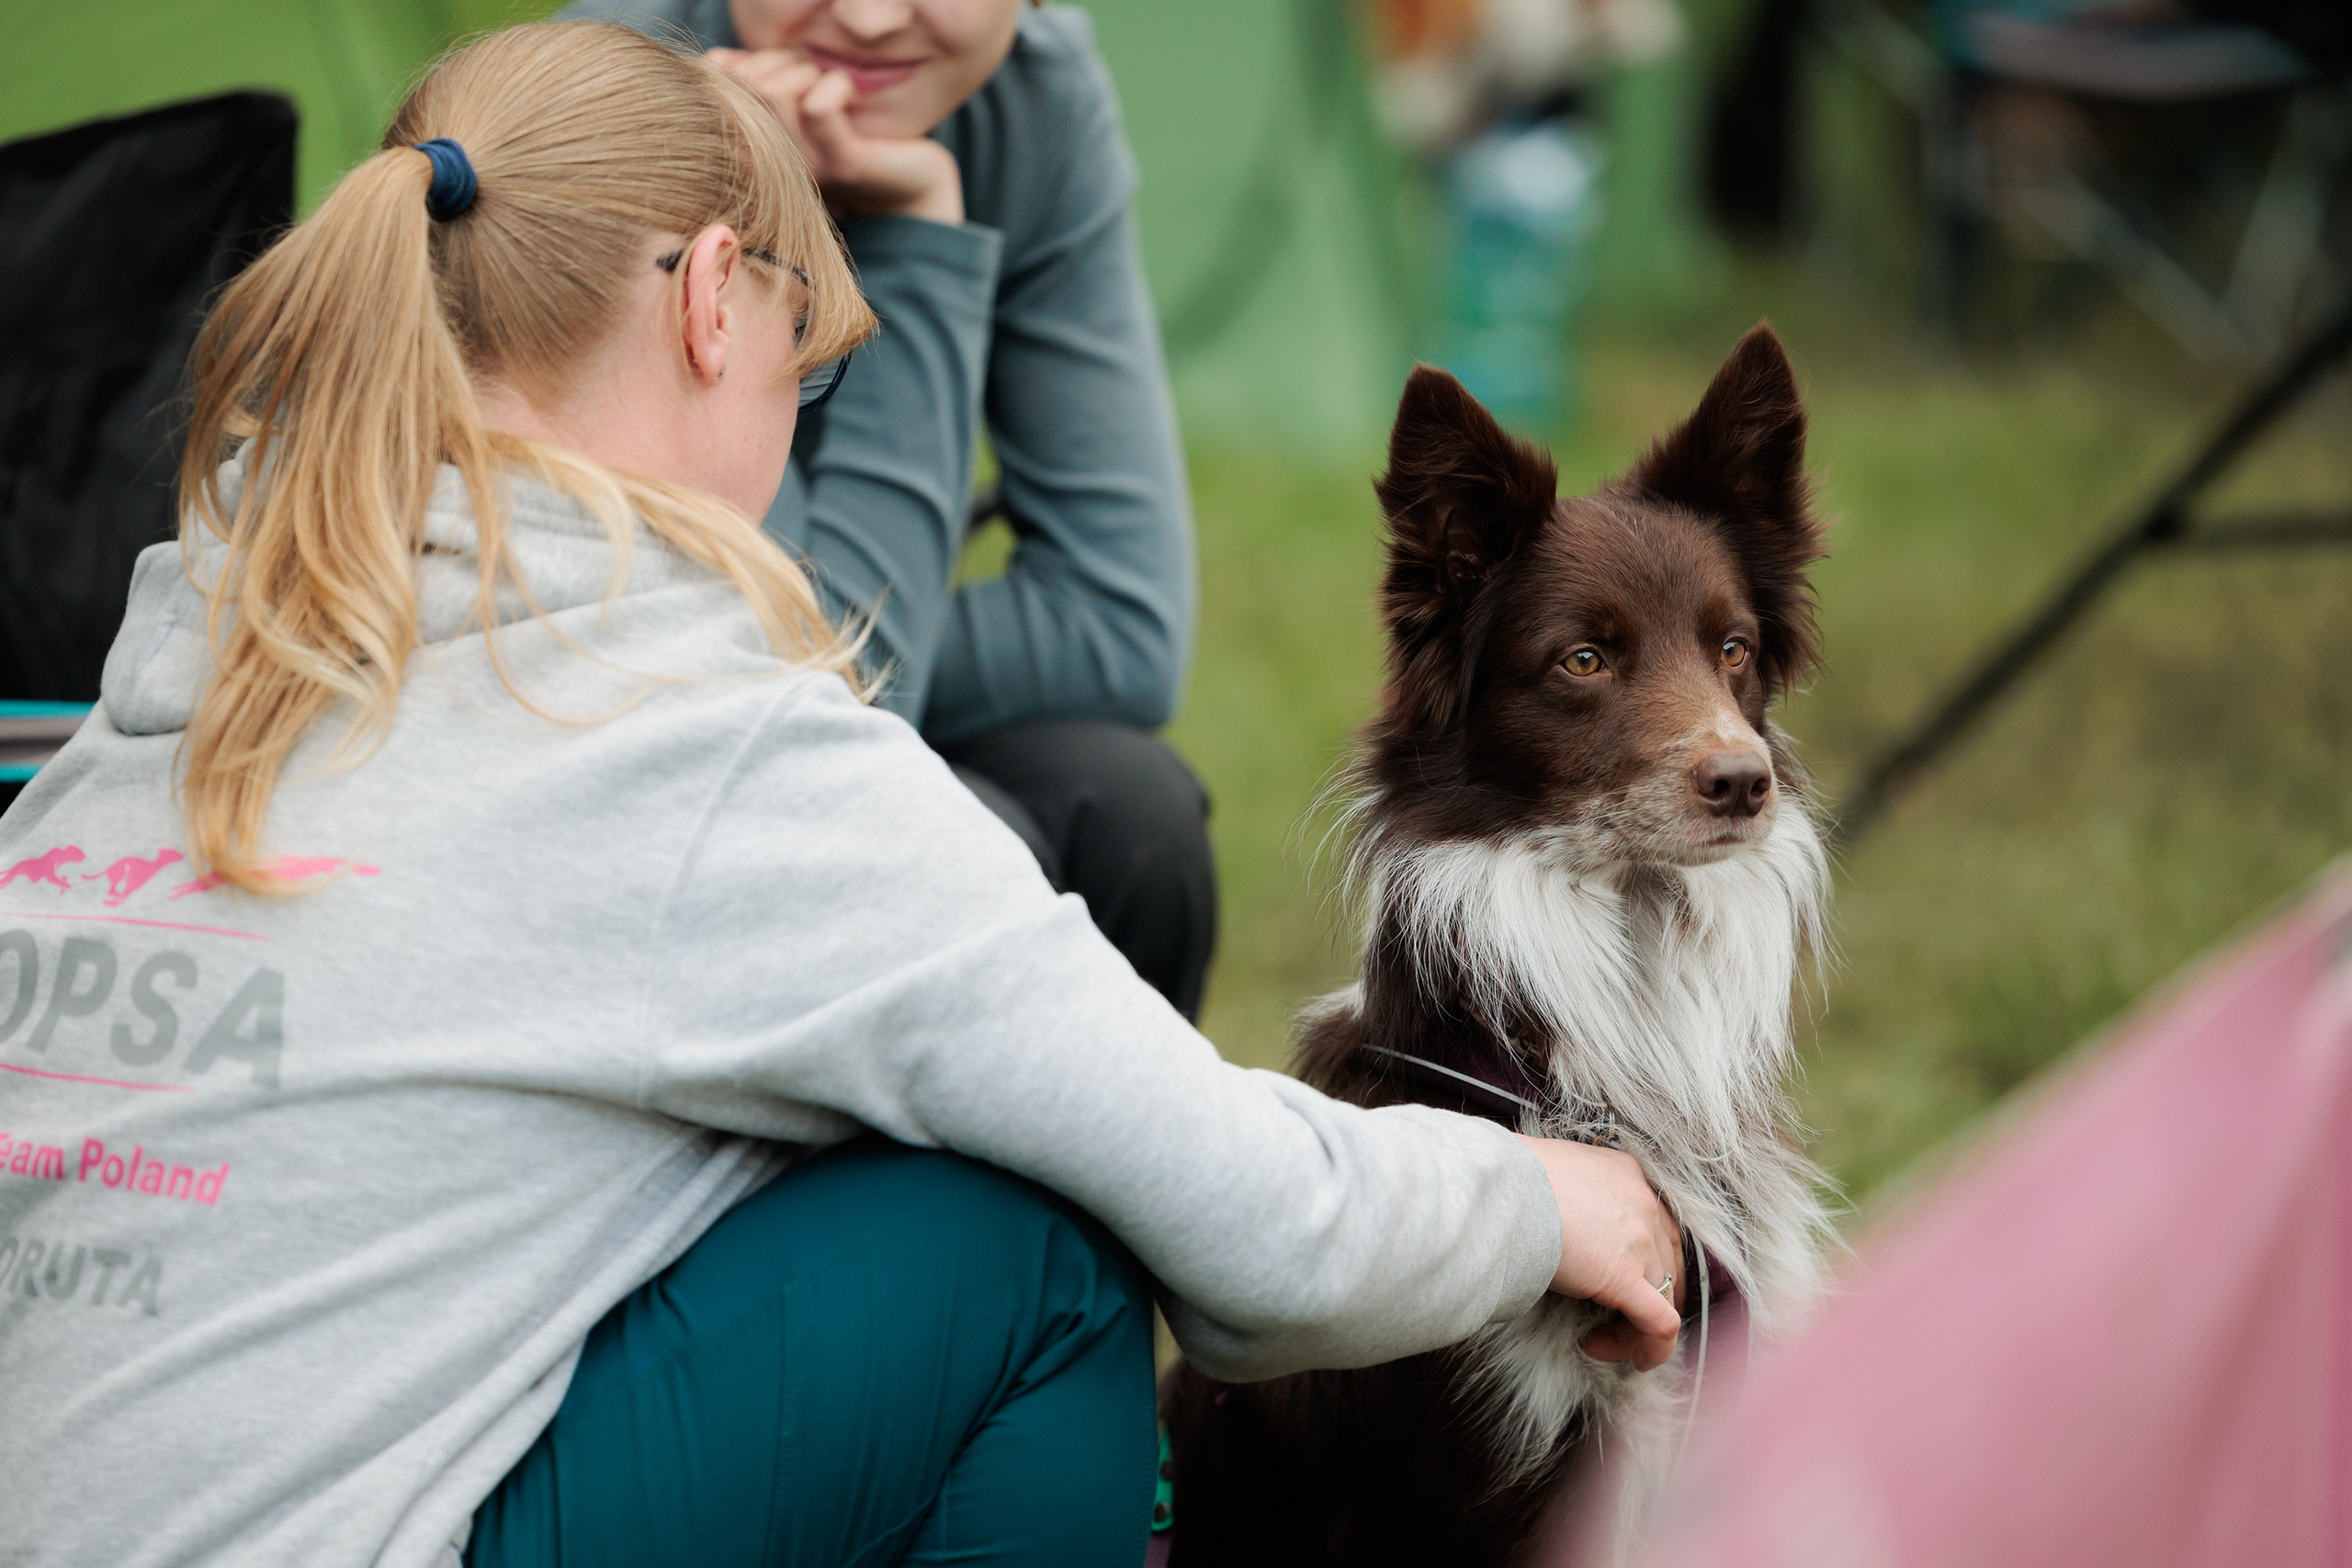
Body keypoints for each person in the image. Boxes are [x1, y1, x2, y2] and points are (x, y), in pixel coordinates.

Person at [0, 23, 1685, 1567]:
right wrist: (1537, 1197)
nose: (793, 420)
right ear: (714, 299)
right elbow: (1251, 1223)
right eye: (807, 365)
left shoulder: (174, 678)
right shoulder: (697, 746)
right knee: (1025, 1235)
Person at [563, 0, 1218, 1018]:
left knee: (1125, 810)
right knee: (975, 840)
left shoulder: (1026, 98)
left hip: (758, 690)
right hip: (601, 778)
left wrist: (817, 646)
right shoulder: (607, 107)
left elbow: (1121, 627)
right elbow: (821, 695)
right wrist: (915, 237)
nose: (869, 20)